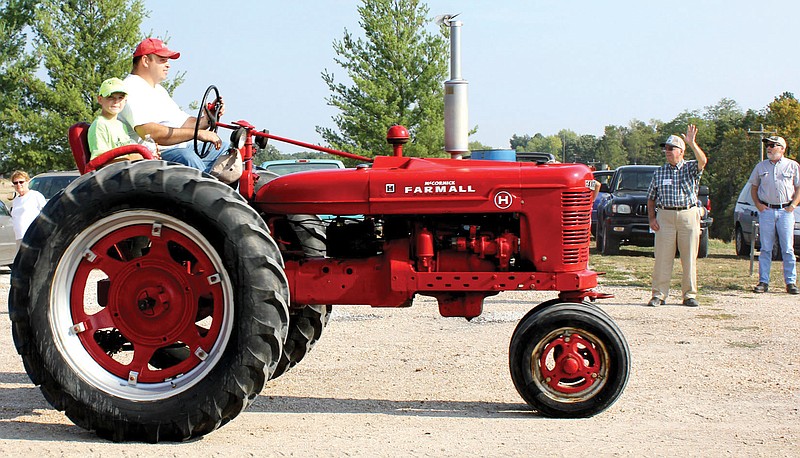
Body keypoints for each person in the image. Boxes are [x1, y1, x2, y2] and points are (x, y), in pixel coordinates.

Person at [119, 38, 225, 172]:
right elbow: (148, 132)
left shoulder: (158, 90)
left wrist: (208, 118)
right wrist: (197, 134)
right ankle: (211, 191)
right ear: (145, 61)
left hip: (174, 150)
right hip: (148, 157)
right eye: (162, 60)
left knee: (225, 149)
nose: (168, 65)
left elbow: (184, 123)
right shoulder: (130, 88)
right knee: (186, 157)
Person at [646, 124, 708, 307]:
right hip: (665, 215)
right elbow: (651, 198)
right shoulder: (660, 171)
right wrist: (651, 218)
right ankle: (659, 294)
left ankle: (689, 295)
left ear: (681, 151)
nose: (667, 151)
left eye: (670, 148)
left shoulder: (690, 168)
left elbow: (703, 161)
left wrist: (692, 143)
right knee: (662, 258)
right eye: (665, 149)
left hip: (688, 214)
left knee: (689, 257)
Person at [749, 136, 800, 295]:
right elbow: (753, 188)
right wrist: (759, 205)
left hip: (785, 211)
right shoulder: (760, 166)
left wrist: (792, 206)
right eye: (767, 145)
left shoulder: (792, 166)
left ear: (782, 148)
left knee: (787, 249)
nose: (769, 148)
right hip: (767, 211)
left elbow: (798, 188)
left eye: (772, 145)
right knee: (765, 248)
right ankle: (763, 282)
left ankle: (790, 282)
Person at [88, 77, 150, 162]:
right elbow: (100, 161)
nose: (116, 102)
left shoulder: (121, 125)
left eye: (120, 97)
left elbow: (128, 152)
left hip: (127, 169)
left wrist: (149, 155)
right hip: (114, 173)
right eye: (110, 97)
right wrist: (137, 158)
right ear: (100, 99)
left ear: (125, 101)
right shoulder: (100, 125)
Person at [9, 170, 47, 248]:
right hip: (19, 237)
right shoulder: (16, 200)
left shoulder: (35, 196)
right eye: (15, 183)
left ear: (27, 182)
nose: (18, 184)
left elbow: (46, 214)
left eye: (21, 182)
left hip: (33, 237)